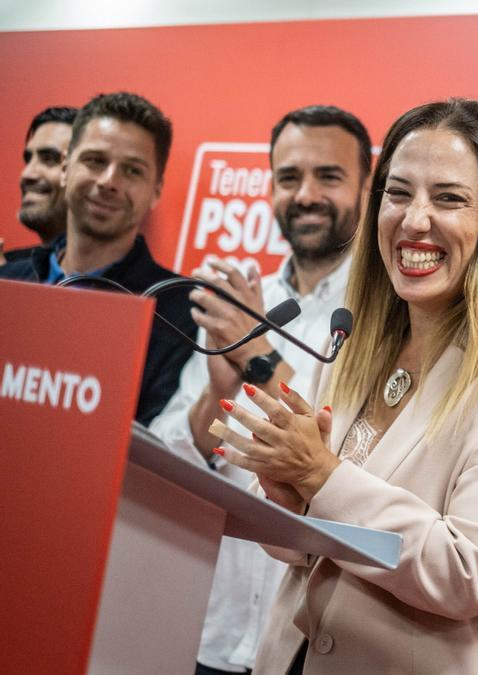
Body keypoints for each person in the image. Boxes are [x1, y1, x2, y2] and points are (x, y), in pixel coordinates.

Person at [211, 98, 478, 673]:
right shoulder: (354, 343)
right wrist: (287, 505)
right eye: (399, 192)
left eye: (449, 198)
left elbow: (465, 574)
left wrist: (318, 475)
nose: (413, 220)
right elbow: (312, 552)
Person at [148, 105, 371, 675]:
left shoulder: (384, 314)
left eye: (329, 176)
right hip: (213, 627)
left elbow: (343, 453)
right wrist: (215, 394)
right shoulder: (240, 299)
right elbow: (183, 457)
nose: (306, 195)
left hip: (307, 635)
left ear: (368, 187)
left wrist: (254, 356)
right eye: (289, 177)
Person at [0, 92, 196, 425]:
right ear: (65, 168)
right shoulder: (8, 282)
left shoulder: (179, 312)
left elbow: (158, 457)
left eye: (132, 171)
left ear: (156, 191)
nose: (109, 182)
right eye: (95, 161)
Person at [1, 106, 77, 266]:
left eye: (49, 159)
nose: (26, 174)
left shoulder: (127, 284)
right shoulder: (10, 265)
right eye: (29, 159)